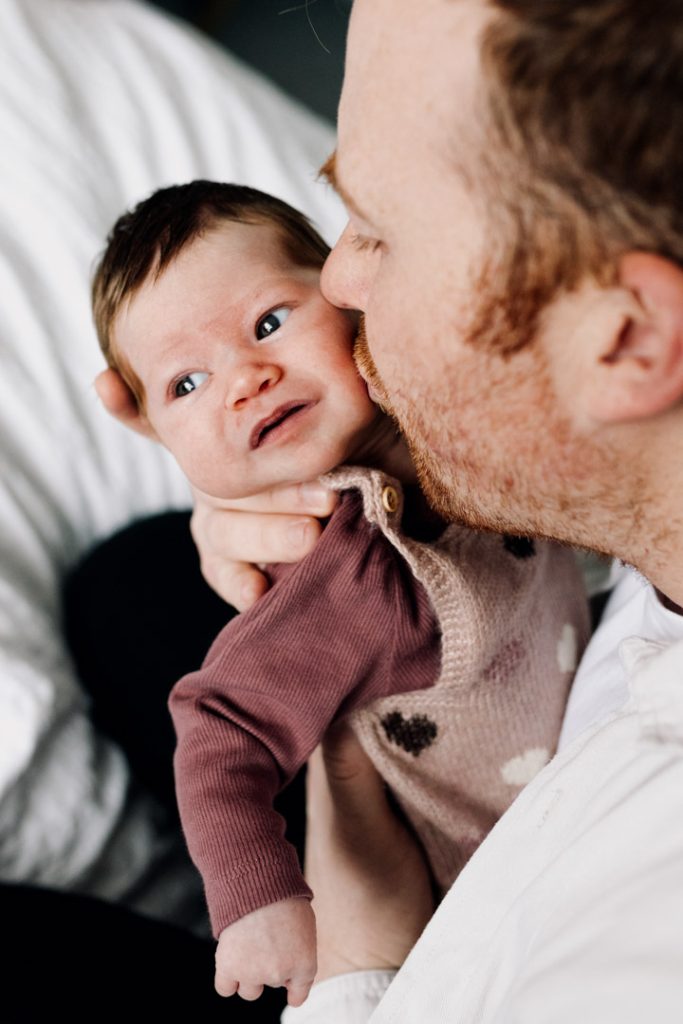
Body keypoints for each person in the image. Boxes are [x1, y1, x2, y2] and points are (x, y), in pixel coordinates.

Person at [96, 0, 683, 1020]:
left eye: (375, 230)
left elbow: (226, 724)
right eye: (182, 386)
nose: (341, 279)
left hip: (397, 914)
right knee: (126, 581)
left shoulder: (605, 947)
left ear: (629, 342)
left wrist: (346, 941)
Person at [92, 178, 588, 1008]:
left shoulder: (448, 411)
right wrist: (256, 899)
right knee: (111, 588)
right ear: (157, 438)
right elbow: (219, 724)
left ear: (346, 295)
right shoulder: (353, 575)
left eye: (268, 323)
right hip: (462, 896)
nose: (245, 379)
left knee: (119, 583)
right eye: (186, 386)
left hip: (567, 730)